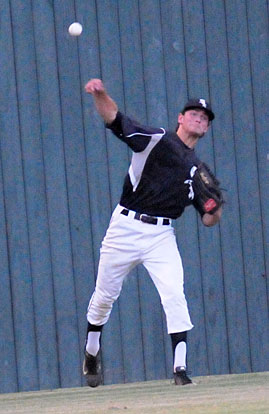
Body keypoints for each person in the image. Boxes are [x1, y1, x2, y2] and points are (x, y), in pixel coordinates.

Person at [82, 78, 222, 387]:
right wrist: (101, 94)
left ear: (207, 128)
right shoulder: (156, 139)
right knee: (104, 297)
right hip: (125, 226)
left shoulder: (196, 169)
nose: (199, 118)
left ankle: (180, 370)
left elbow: (209, 219)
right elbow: (115, 120)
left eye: (205, 118)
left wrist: (214, 208)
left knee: (174, 293)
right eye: (194, 114)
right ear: (180, 118)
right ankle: (92, 351)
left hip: (161, 235)